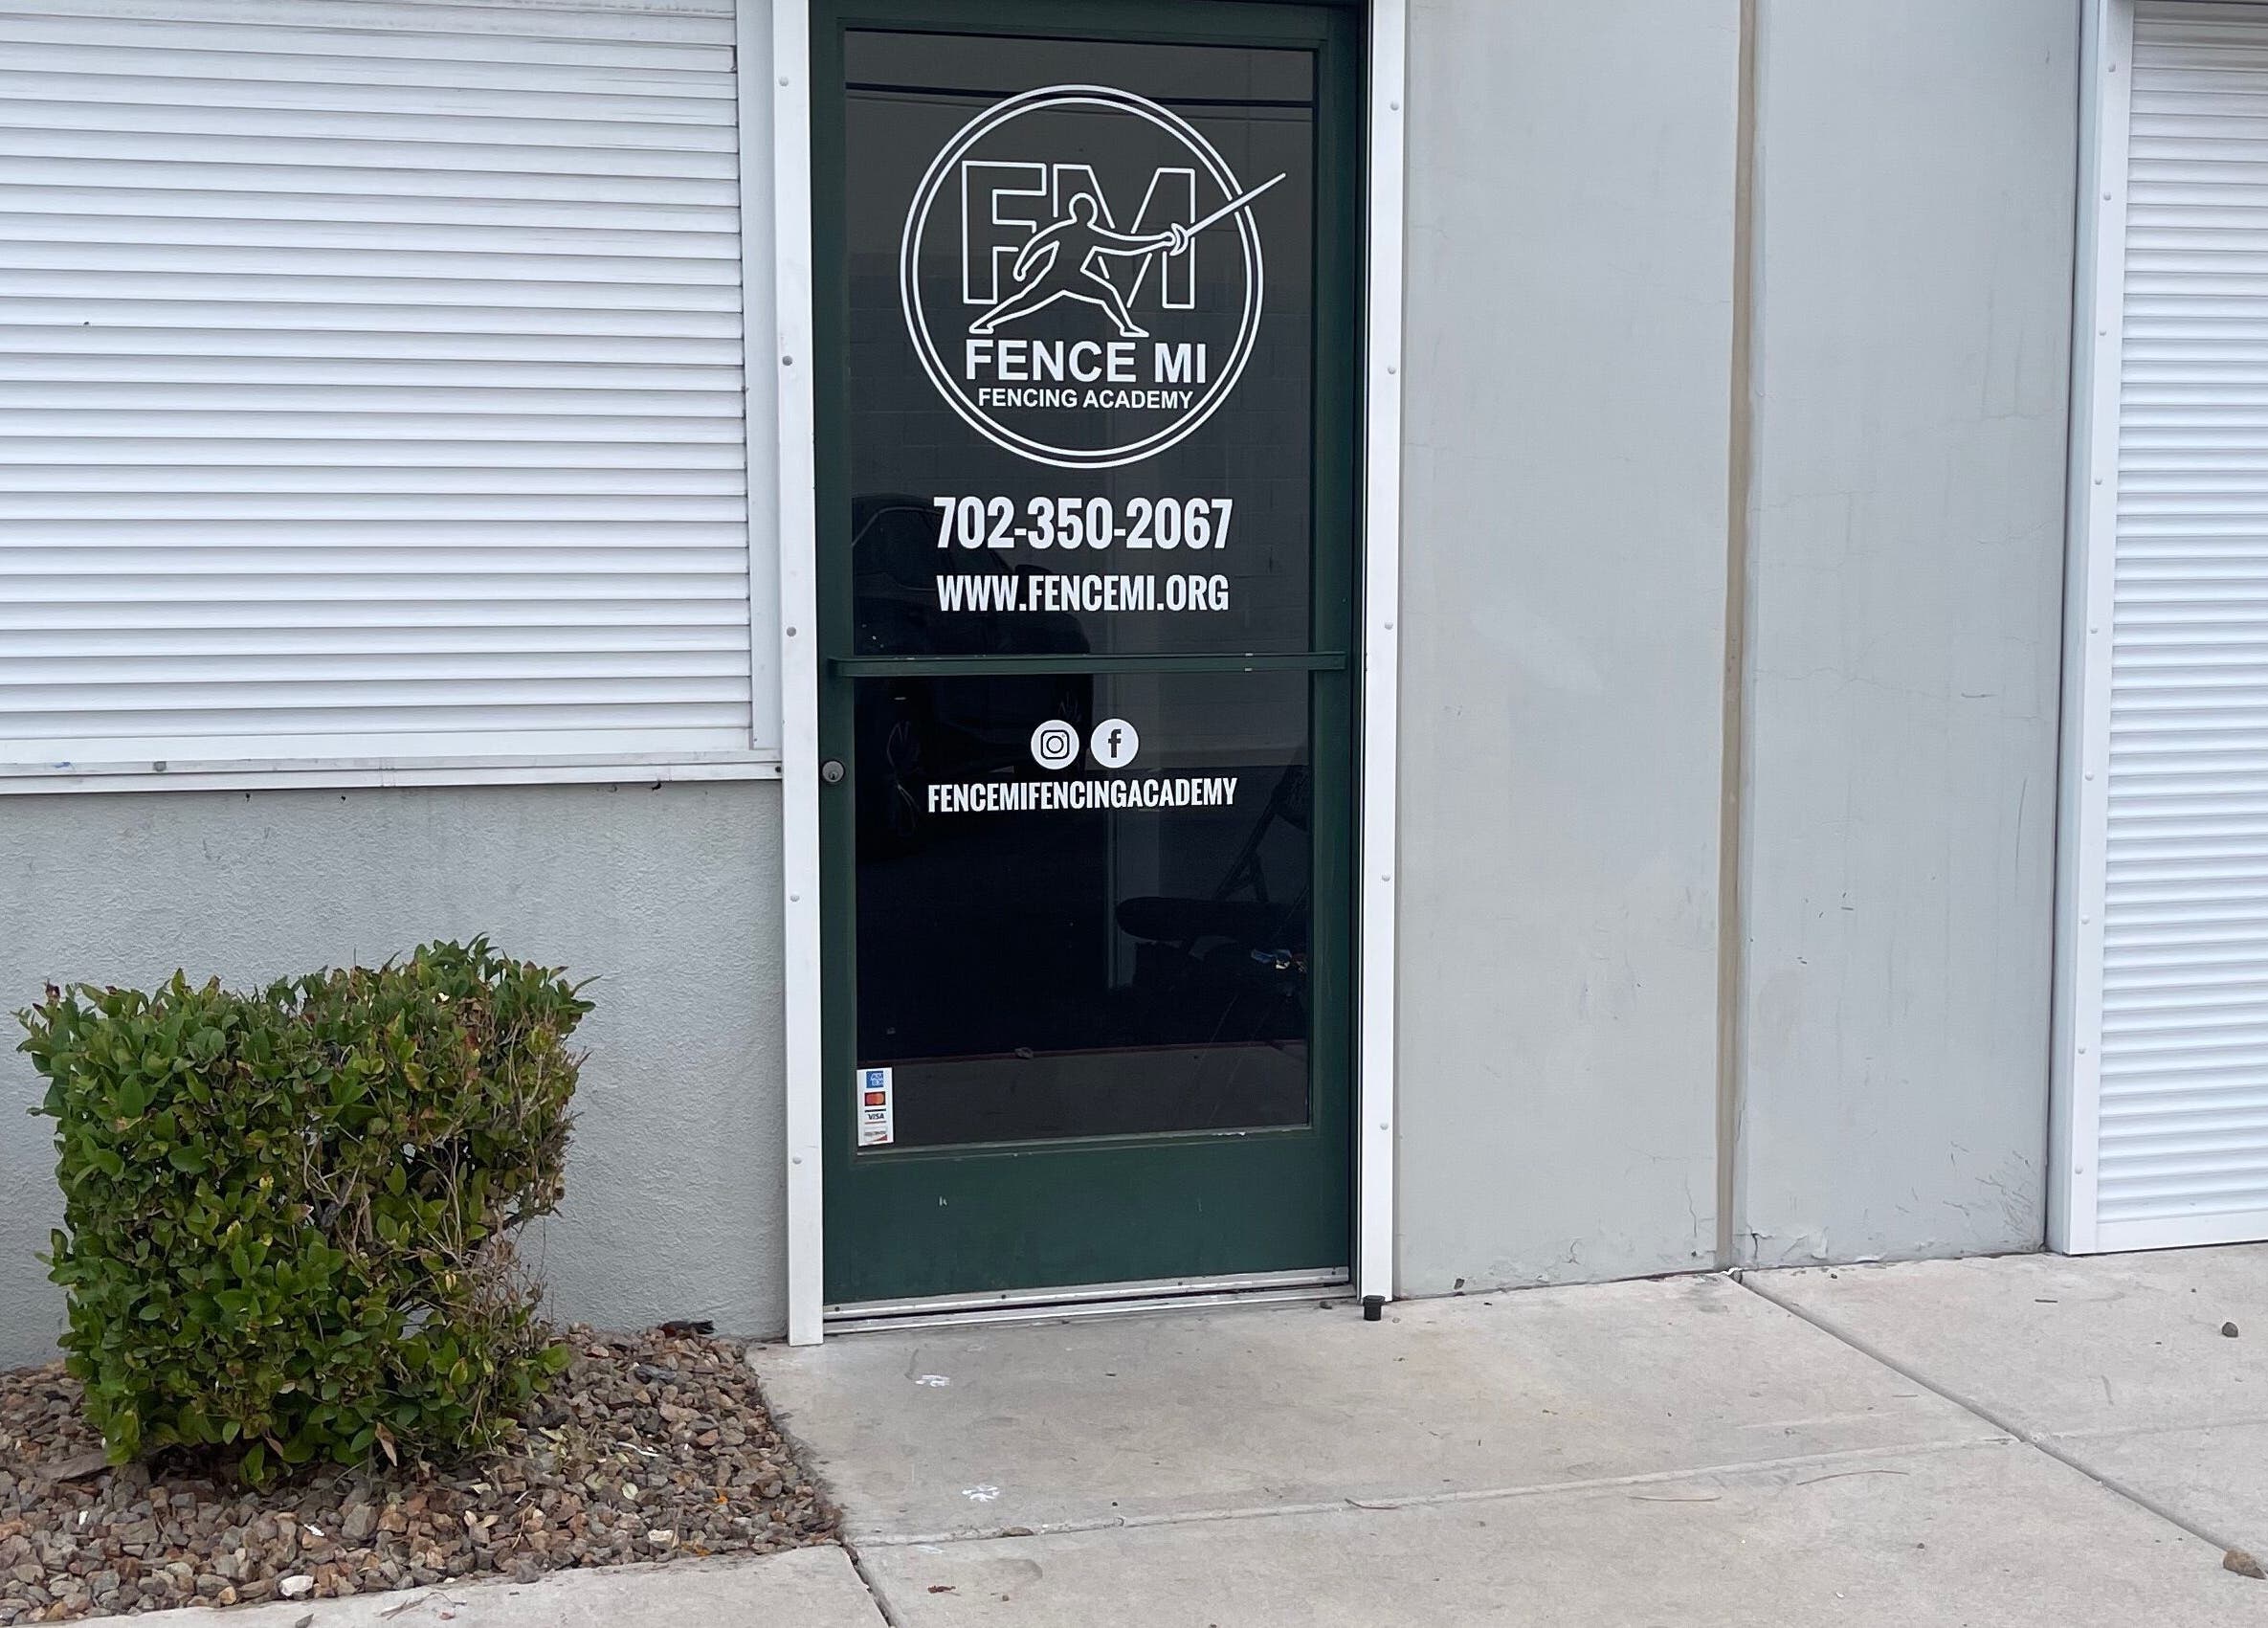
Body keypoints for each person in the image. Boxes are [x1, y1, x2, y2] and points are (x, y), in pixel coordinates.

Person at [969, 193, 1187, 340]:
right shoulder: (1070, 231)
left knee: (1108, 293)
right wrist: (1022, 265)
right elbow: (1038, 243)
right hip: (1057, 276)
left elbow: (1125, 247)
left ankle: (1127, 327)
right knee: (1024, 301)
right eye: (1086, 210)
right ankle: (986, 322)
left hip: (1074, 276)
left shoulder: (1087, 233)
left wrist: (1159, 241)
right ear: (1080, 212)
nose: (1088, 214)